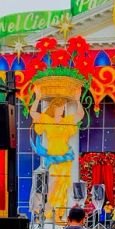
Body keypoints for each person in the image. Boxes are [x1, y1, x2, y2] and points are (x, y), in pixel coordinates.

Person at [30, 88, 84, 222]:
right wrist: (37, 98)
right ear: (54, 107)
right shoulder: (46, 119)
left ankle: (58, 215)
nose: (62, 109)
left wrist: (77, 100)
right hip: (53, 158)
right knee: (52, 185)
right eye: (60, 106)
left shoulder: (67, 121)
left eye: (64, 106)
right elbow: (33, 113)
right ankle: (48, 214)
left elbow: (80, 115)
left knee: (63, 186)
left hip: (65, 158)